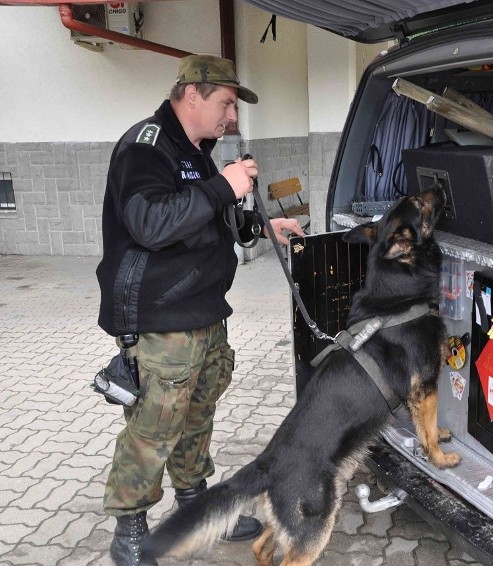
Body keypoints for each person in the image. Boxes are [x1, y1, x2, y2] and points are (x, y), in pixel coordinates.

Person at [95, 54, 304, 566]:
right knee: (154, 423)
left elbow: (211, 219)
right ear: (192, 94)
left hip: (205, 310)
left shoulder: (196, 150)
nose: (231, 117)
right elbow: (150, 224)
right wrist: (222, 186)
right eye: (226, 103)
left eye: (233, 106)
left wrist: (261, 228)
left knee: (197, 411)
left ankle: (195, 503)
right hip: (163, 317)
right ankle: (131, 530)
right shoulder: (145, 147)